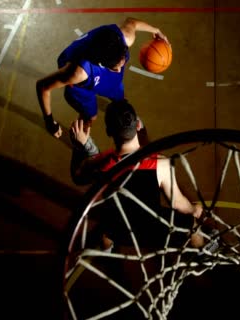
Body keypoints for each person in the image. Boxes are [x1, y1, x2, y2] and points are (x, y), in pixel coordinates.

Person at [70, 99, 213, 251]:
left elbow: (78, 176)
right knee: (193, 226)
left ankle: (107, 245)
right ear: (138, 125)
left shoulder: (100, 164)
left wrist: (80, 145)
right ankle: (205, 251)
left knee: (107, 222)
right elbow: (178, 204)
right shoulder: (160, 163)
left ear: (108, 132)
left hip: (120, 230)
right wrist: (193, 209)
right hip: (152, 230)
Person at [36, 17, 169, 138]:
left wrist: (156, 30)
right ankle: (82, 140)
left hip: (105, 78)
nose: (122, 64)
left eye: (123, 58)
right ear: (102, 64)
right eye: (117, 66)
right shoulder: (78, 72)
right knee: (91, 116)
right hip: (82, 89)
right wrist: (49, 122)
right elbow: (42, 86)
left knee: (121, 99)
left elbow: (131, 22)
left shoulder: (125, 38)